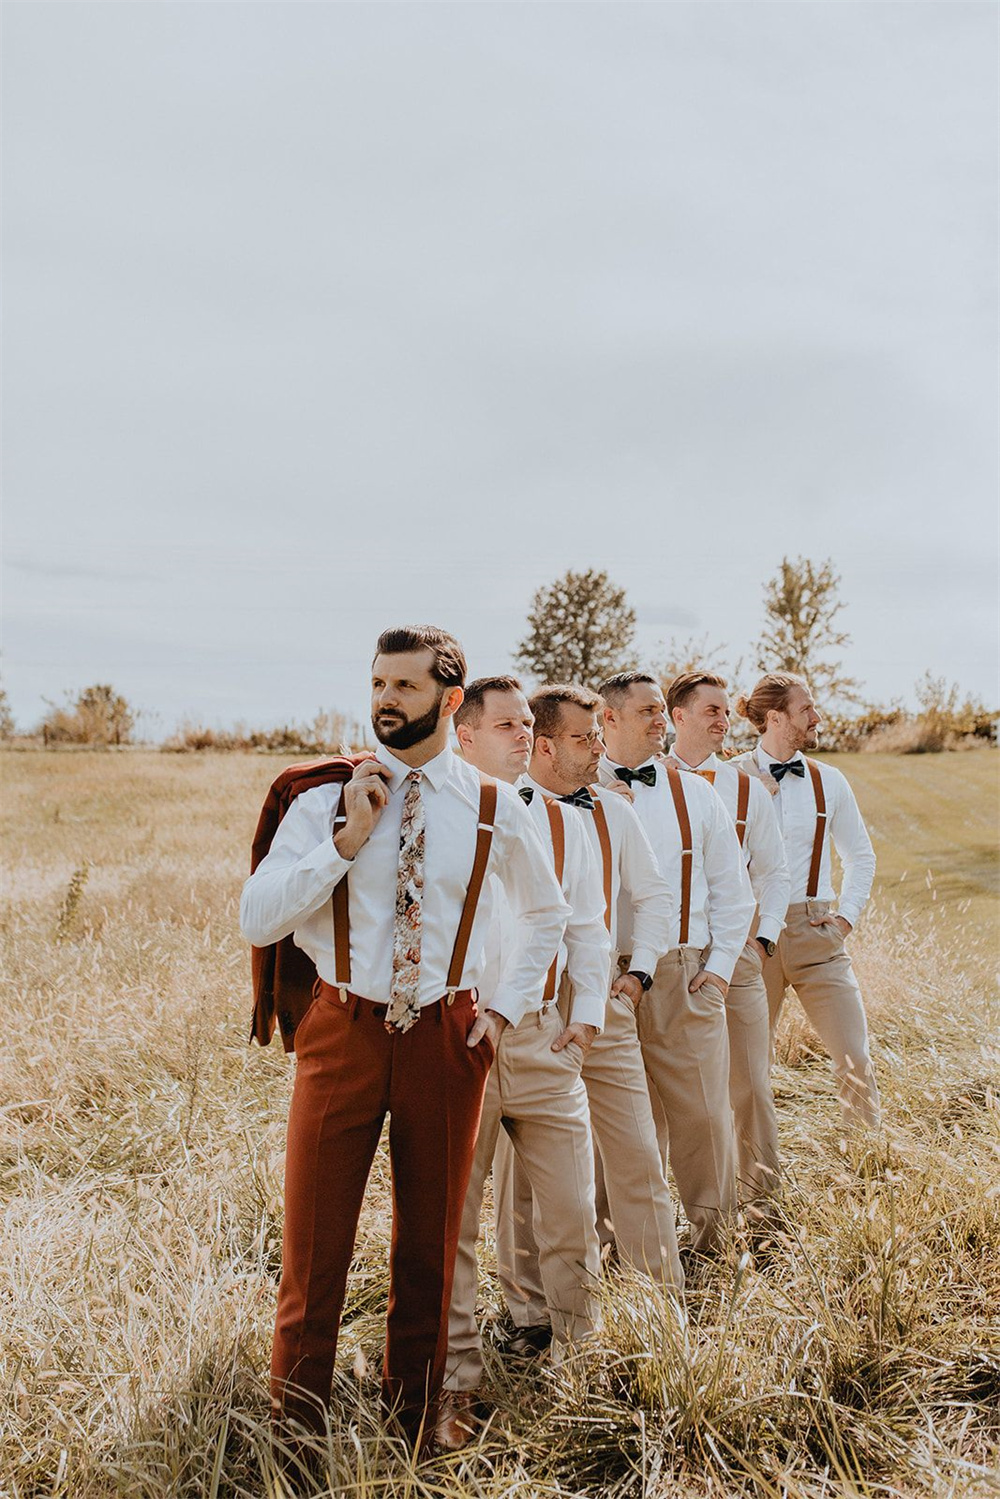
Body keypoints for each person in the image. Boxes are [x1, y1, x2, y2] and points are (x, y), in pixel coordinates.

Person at [239, 628, 569, 1453]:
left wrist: (498, 1013)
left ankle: (416, 1425)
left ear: (449, 700)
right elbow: (258, 913)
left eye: (405, 686)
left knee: (429, 1248)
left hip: (447, 1038)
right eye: (378, 682)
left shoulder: (493, 804)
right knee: (313, 1250)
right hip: (342, 1031)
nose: (385, 698)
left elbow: (546, 913)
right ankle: (297, 1436)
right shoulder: (322, 797)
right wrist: (344, 843)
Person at [438, 676, 609, 1449]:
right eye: (504, 724)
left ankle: (581, 1363)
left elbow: (583, 926)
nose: (521, 733)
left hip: (541, 1040)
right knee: (454, 1225)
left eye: (523, 724)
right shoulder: (438, 820)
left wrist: (586, 1014)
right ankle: (457, 1385)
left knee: (572, 1209)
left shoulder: (567, 826)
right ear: (463, 734)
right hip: (458, 1044)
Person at [493, 682, 683, 1350]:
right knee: (526, 1184)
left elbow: (653, 895)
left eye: (598, 736)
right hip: (526, 1020)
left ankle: (663, 1308)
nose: (599, 747)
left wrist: (638, 976)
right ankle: (529, 1314)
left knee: (637, 1155)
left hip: (602, 1010)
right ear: (542, 745)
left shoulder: (612, 811)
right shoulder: (499, 807)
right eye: (584, 738)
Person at [597, 671, 755, 1255]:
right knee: (607, 1124)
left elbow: (734, 894)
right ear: (608, 719)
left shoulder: (695, 794)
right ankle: (614, 1254)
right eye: (647, 712)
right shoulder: (577, 792)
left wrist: (716, 973)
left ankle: (715, 1246)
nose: (662, 720)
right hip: (600, 975)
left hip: (682, 973)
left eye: (663, 709)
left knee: (704, 1119)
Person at [731, 672, 881, 1129]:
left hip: (817, 936)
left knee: (855, 1056)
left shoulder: (829, 780)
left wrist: (845, 919)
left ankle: (868, 1166)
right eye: (806, 710)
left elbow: (861, 856)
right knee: (749, 1071)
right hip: (754, 938)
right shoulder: (728, 777)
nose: (817, 717)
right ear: (775, 718)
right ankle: (756, 1182)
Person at [665, 671, 790, 1206]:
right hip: (662, 956)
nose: (724, 720)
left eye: (725, 711)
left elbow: (775, 872)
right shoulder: (624, 782)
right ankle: (654, 1220)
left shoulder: (745, 787)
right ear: (678, 717)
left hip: (734, 954)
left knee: (750, 1086)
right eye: (712, 710)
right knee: (662, 1098)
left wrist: (761, 943)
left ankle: (762, 1207)